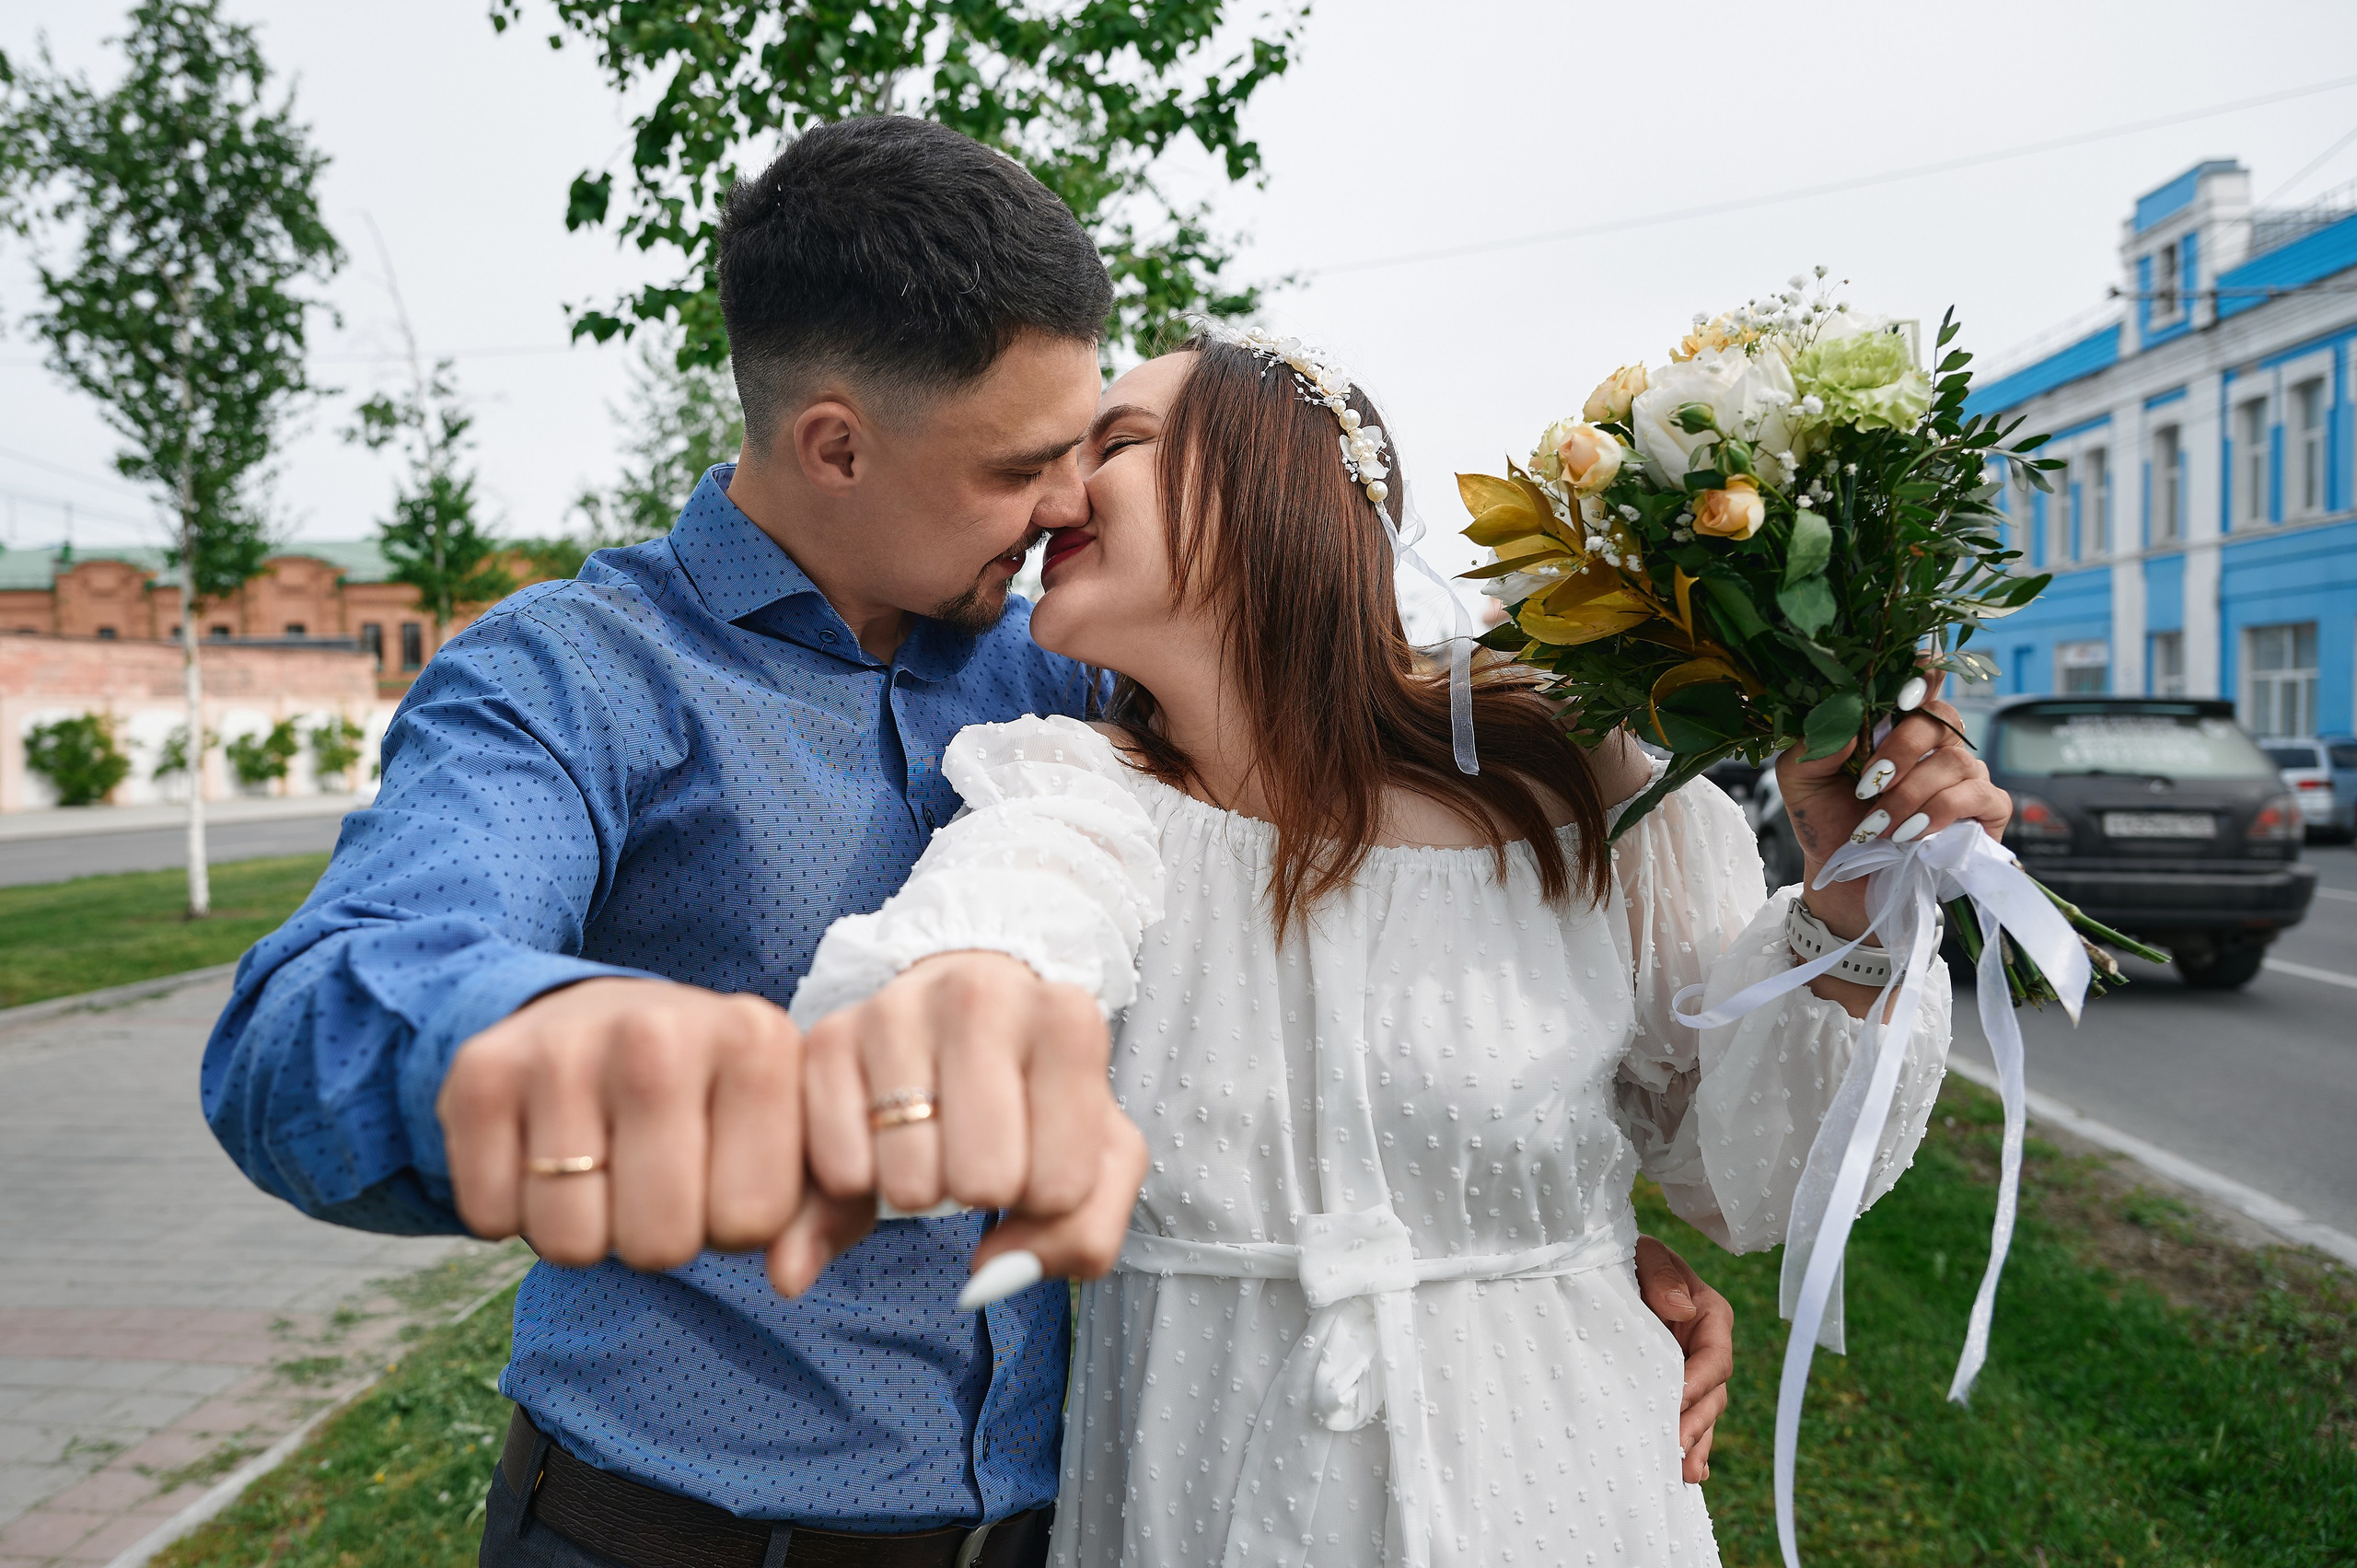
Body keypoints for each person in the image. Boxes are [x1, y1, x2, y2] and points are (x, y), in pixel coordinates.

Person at [200, 118, 1733, 1568]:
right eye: (1021, 470)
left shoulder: (1076, 675)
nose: (1069, 500)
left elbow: (1333, 937)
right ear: (836, 447)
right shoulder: (573, 678)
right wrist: (586, 1053)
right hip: (675, 1537)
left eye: (1083, 448)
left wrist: (1546, 1265)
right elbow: (306, 1024)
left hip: (1069, 1523)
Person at [790, 328, 2001, 1566]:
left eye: (1122, 445)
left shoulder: (1576, 783)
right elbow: (1018, 912)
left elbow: (1744, 1180)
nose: (1058, 494)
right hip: (1201, 1500)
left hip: (1565, 1491)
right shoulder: (1076, 790)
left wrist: (1850, 905)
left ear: (1281, 485)